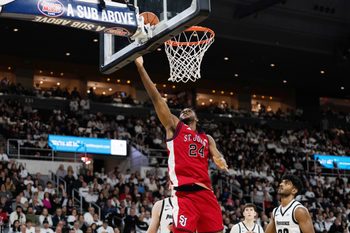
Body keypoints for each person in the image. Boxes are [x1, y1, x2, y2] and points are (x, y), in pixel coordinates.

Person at [135, 56, 228, 233]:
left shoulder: (206, 138)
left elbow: (217, 155)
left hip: (206, 193)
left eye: (189, 109)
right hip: (185, 194)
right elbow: (156, 99)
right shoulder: (174, 127)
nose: (184, 110)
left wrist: (220, 160)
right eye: (182, 110)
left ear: (197, 117)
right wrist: (141, 68)